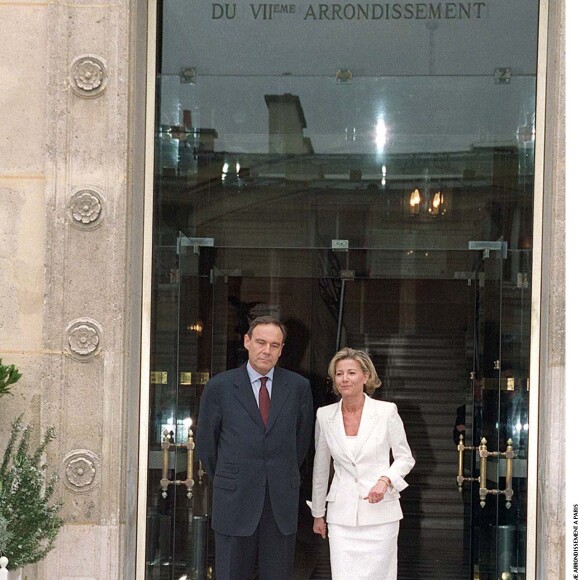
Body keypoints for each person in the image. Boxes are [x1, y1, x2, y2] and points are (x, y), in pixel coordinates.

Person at [196, 316, 314, 580]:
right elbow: (207, 445)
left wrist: (279, 474)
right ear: (247, 342)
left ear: (282, 349)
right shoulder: (220, 387)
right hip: (234, 501)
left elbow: (302, 442)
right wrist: (232, 477)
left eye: (275, 345)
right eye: (261, 342)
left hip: (280, 503)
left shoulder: (298, 387)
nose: (267, 350)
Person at [310, 347, 415, 580]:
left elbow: (405, 457)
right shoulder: (324, 415)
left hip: (381, 515)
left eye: (351, 373)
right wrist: (319, 513)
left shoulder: (386, 412)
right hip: (341, 516)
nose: (344, 379)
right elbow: (320, 467)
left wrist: (385, 480)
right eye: (339, 374)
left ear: (366, 376)